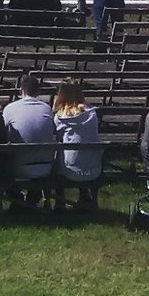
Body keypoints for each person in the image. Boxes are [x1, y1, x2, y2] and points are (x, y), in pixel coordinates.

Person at [52, 78, 101, 207]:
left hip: (70, 169)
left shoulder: (60, 117)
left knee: (60, 154)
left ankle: (60, 200)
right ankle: (84, 195)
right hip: (94, 167)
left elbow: (56, 138)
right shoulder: (92, 113)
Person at [3, 73, 58, 186]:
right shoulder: (46, 109)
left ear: (21, 90)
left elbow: (3, 133)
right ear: (38, 91)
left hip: (17, 167)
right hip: (46, 166)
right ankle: (33, 197)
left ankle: (16, 197)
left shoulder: (10, 108)